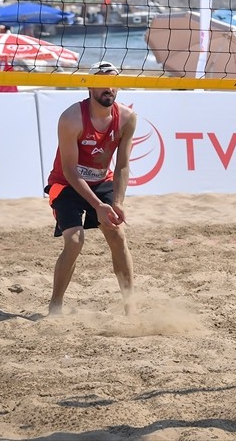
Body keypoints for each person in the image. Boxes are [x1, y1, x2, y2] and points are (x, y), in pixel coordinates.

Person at [45, 61, 138, 315]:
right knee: (75, 240)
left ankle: (130, 308)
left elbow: (121, 166)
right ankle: (55, 305)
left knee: (118, 235)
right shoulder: (71, 118)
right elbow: (70, 170)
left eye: (114, 82)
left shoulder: (127, 118)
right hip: (65, 183)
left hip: (101, 180)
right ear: (89, 86)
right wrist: (97, 205)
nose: (109, 87)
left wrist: (117, 202)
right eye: (103, 81)